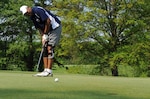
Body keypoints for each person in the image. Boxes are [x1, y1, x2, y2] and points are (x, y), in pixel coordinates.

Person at [20, 5, 62, 77]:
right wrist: (43, 37)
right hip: (47, 30)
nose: (28, 14)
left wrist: (45, 34)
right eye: (26, 14)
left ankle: (49, 71)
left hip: (55, 27)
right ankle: (45, 70)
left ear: (29, 8)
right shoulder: (32, 17)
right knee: (44, 48)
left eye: (27, 12)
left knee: (50, 48)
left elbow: (48, 21)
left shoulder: (37, 10)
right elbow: (39, 28)